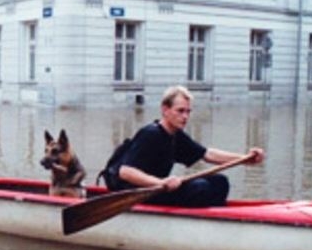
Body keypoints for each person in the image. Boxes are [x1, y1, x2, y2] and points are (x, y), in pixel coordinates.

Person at [104, 85, 264, 207]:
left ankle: (212, 219)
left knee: (220, 182)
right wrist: (160, 183)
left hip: (160, 188)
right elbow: (125, 172)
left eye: (188, 111)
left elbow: (207, 154)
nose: (185, 116)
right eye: (180, 111)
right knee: (199, 188)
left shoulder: (176, 135)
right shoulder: (150, 134)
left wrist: (245, 159)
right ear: (165, 110)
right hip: (138, 193)